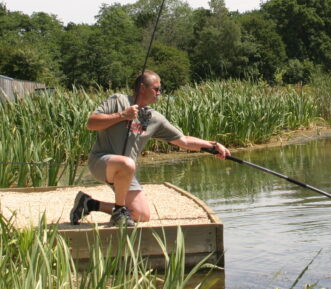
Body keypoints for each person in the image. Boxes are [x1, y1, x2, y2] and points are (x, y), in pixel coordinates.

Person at [70, 70, 230, 227]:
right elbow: (91, 123)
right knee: (127, 164)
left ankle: (89, 204)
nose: (160, 92)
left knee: (141, 214)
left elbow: (184, 141)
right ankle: (119, 212)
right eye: (156, 88)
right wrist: (122, 115)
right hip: (101, 162)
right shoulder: (119, 100)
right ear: (142, 88)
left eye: (160, 89)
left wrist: (213, 146)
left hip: (126, 172)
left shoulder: (155, 118)